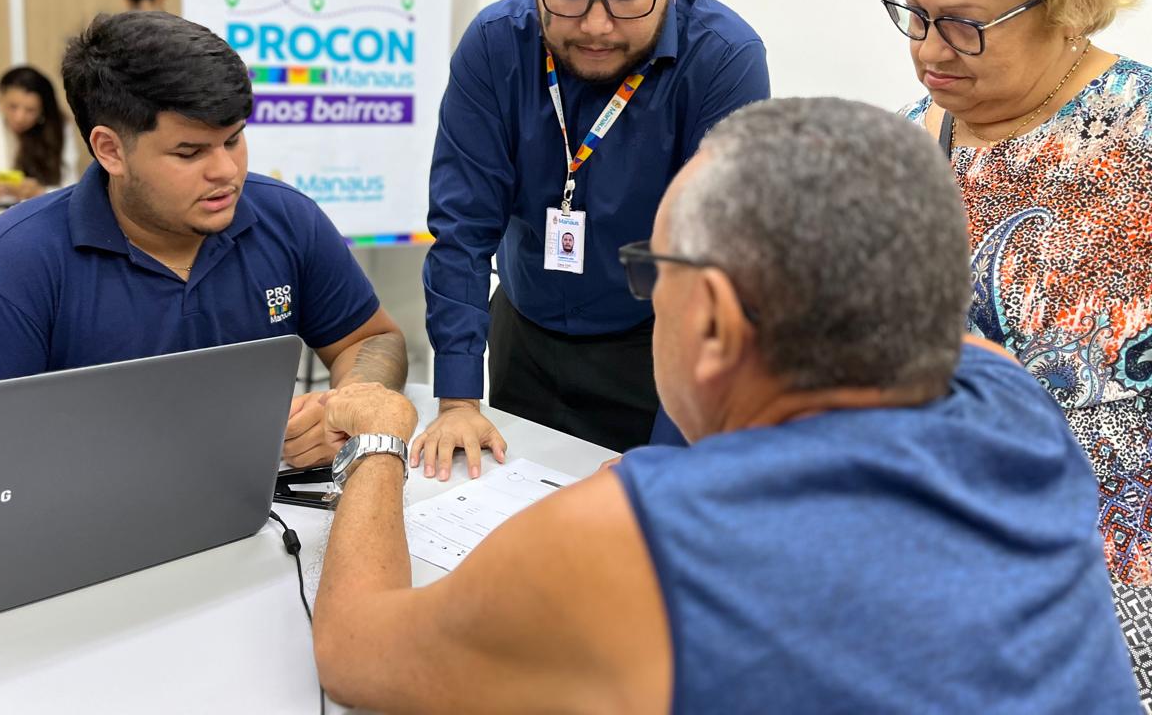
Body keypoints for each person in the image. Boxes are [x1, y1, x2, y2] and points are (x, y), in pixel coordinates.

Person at [311, 98, 1139, 714]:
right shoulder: (1013, 398)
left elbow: (354, 653)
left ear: (710, 319)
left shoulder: (630, 542)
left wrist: (382, 439)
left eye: (651, 272)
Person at [886, 0, 1152, 705]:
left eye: (963, 22)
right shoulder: (905, 143)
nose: (930, 48)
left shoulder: (1139, 143)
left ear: (1069, 6)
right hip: (932, 570)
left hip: (1099, 590)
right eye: (914, 12)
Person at [0, 11, 406, 470]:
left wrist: (352, 404)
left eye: (233, 139)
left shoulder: (286, 219)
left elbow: (371, 338)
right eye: (189, 152)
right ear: (110, 150)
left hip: (261, 520)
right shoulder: (7, 268)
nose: (227, 171)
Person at [418, 0, 769, 478]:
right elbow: (461, 230)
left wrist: (667, 458)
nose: (598, 26)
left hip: (656, 350)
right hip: (523, 334)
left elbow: (711, 269)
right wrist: (458, 397)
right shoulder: (496, 44)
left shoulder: (722, 60)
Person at [0, 66, 78, 225]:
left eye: (30, 110)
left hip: (45, 215)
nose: (19, 117)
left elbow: (70, 186)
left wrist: (38, 192)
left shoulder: (59, 128)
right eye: (12, 107)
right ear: (1, 99)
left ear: (42, 111)